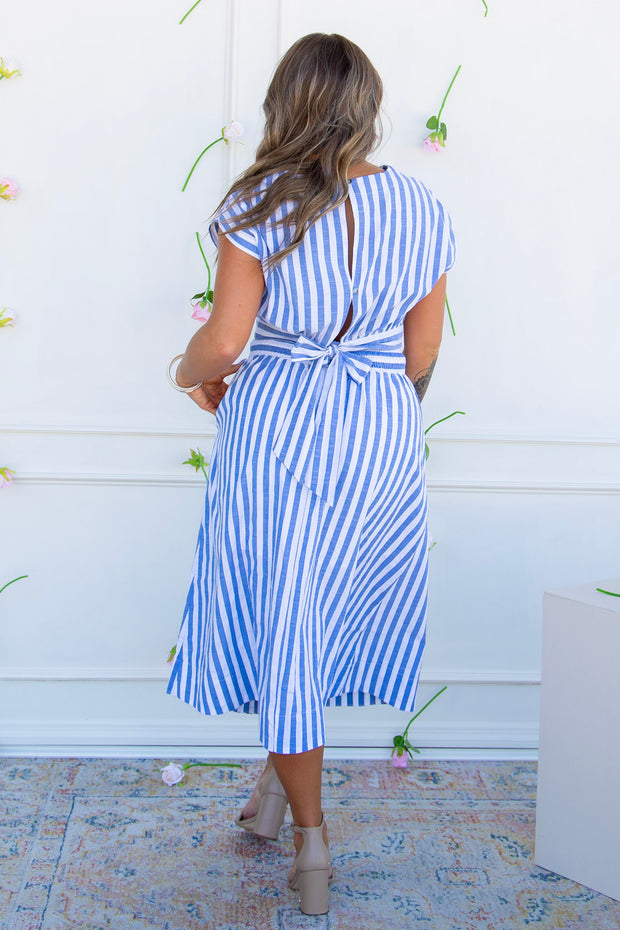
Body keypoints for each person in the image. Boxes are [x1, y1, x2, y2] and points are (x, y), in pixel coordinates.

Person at [166, 32, 456, 916]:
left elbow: (225, 341)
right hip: (380, 430)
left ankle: (312, 841)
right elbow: (421, 353)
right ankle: (271, 796)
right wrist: (377, 416)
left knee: (287, 612)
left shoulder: (262, 200)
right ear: (367, 105)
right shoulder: (422, 205)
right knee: (311, 614)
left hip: (283, 429)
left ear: (284, 104)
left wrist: (186, 373)